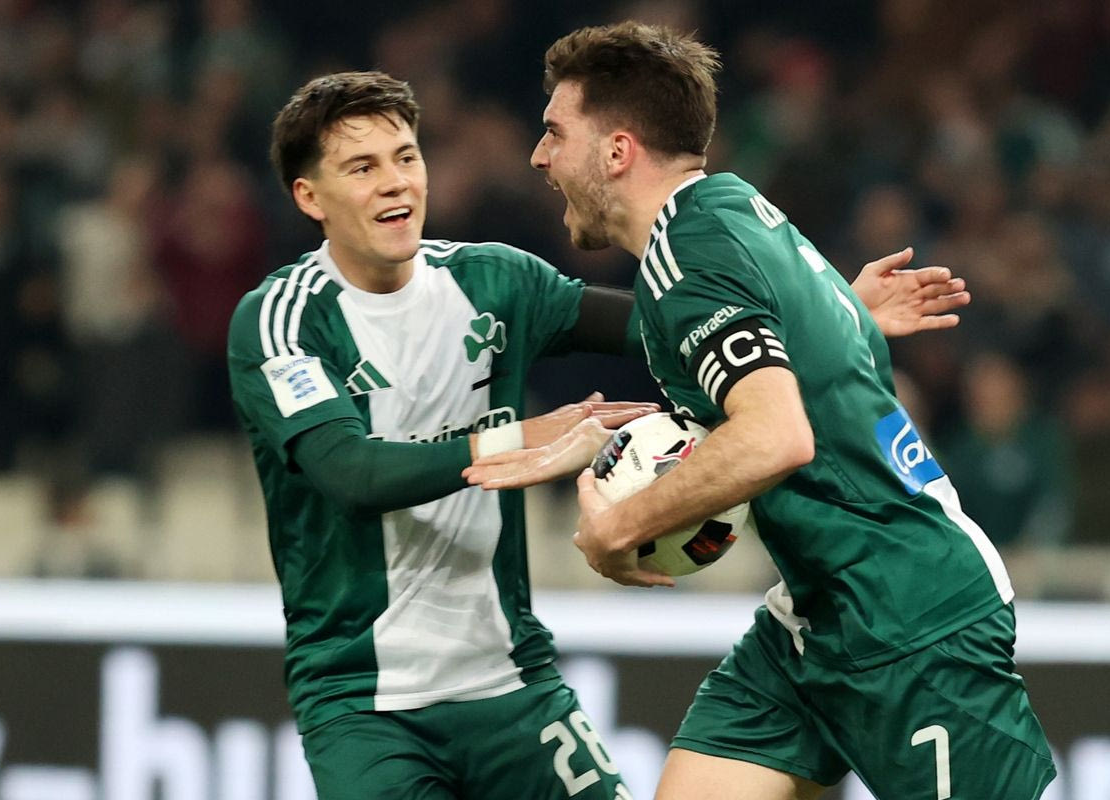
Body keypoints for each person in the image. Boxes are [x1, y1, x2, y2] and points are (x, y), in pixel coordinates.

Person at [228, 71, 973, 799]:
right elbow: (349, 473)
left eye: (405, 157)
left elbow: (677, 324)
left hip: (513, 684)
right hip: (364, 702)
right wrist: (525, 440)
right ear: (310, 196)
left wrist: (830, 313)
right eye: (362, 168)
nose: (395, 184)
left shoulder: (493, 282)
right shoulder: (281, 322)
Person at [467, 22, 1055, 800]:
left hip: (913, 618)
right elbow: (776, 371)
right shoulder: (732, 205)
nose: (539, 157)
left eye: (554, 132)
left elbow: (776, 436)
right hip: (812, 622)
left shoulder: (688, 258)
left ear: (616, 151)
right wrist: (841, 314)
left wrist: (621, 525)